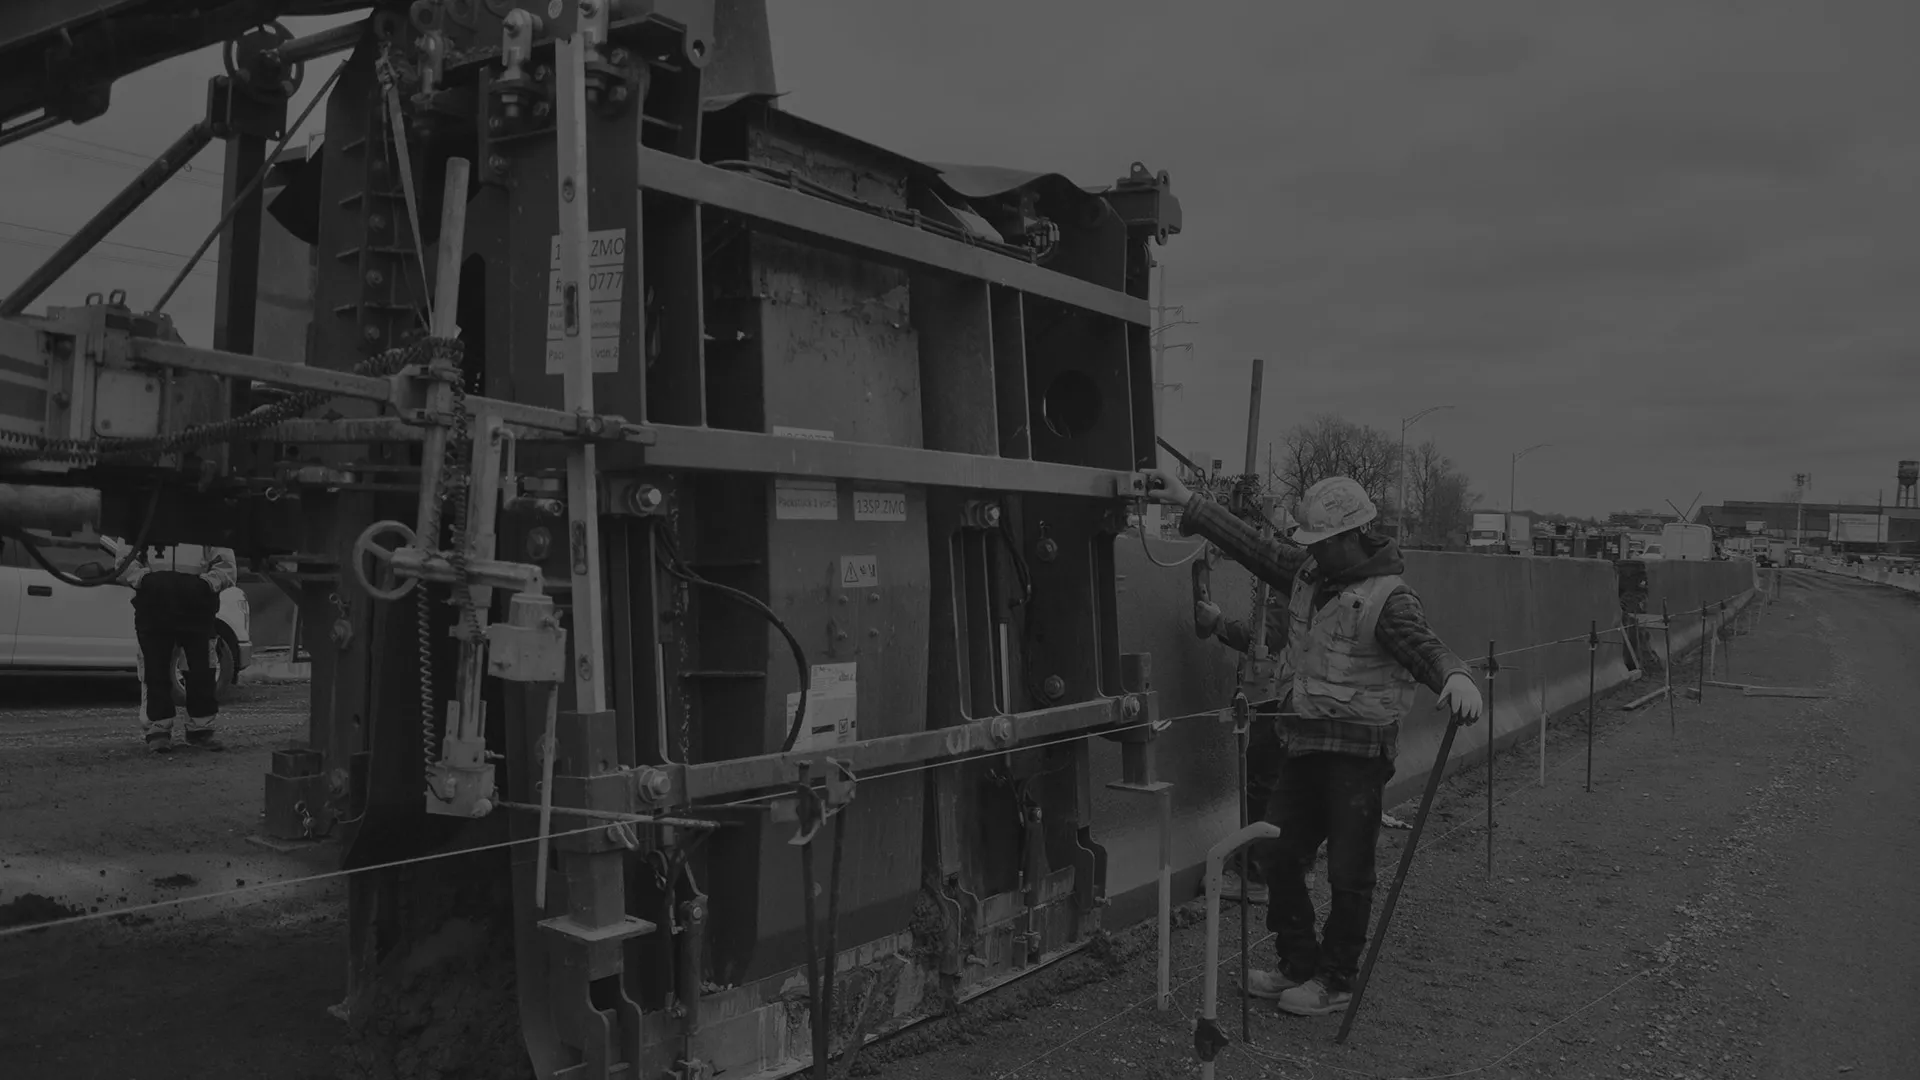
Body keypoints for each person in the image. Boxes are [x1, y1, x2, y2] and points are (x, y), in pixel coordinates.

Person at [1146, 471, 1485, 1018]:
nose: (1315, 552)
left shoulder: (1387, 600)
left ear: (1354, 536)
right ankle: (1297, 963)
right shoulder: (1308, 570)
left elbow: (1425, 647)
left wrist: (1455, 675)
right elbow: (1255, 548)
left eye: (1324, 543)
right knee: (1278, 854)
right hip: (1303, 745)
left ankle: (1336, 978)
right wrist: (1189, 502)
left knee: (1350, 871)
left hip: (1358, 756)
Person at [114, 541, 237, 754]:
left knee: (202, 671)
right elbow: (124, 562)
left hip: (196, 606)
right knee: (155, 670)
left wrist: (205, 585)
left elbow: (226, 565)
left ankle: (201, 730)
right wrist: (146, 580)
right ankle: (159, 731)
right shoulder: (140, 518)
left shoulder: (207, 517)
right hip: (154, 605)